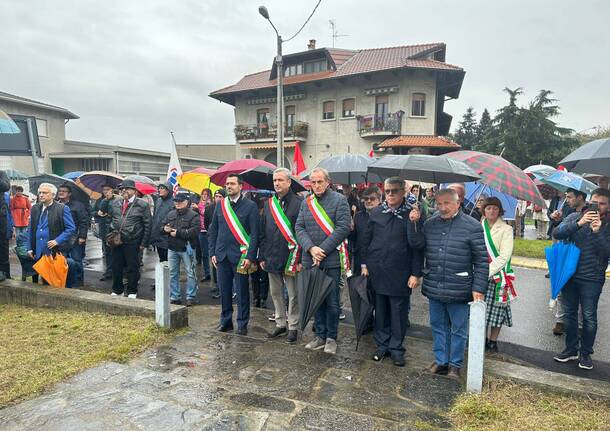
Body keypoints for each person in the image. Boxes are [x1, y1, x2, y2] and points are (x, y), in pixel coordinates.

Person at [409, 188, 488, 378]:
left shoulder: (473, 226)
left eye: (447, 203)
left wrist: (478, 287)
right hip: (435, 284)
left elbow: (481, 260)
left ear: (457, 203)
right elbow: (417, 247)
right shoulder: (429, 224)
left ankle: (455, 364)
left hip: (460, 287)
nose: (442, 208)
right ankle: (441, 361)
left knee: (459, 328)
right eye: (440, 203)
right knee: (437, 325)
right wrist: (415, 223)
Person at [361, 177, 423, 366]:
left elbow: (418, 247)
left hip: (400, 272)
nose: (390, 195)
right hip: (378, 269)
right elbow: (366, 240)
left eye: (394, 191)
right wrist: (364, 264)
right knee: (380, 311)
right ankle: (382, 345)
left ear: (403, 191)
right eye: (387, 191)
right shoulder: (377, 212)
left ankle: (396, 348)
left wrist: (416, 273)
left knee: (398, 312)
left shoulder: (413, 214)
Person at [552, 188, 610, 370]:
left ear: (608, 206)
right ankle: (570, 349)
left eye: (602, 203)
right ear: (589, 201)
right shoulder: (576, 216)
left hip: (593, 277)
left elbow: (607, 252)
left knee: (589, 317)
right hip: (570, 273)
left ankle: (585, 353)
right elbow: (557, 233)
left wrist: (598, 231)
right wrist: (578, 223)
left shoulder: (607, 225)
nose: (597, 206)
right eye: (595, 202)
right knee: (569, 314)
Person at [295, 167, 351, 355]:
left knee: (332, 301)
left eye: (320, 182)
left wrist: (322, 250)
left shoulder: (340, 200)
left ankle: (331, 338)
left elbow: (343, 228)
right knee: (314, 299)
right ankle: (319, 335)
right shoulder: (306, 202)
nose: (317, 185)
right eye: (313, 182)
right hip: (310, 258)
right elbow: (299, 228)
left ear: (328, 182)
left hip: (331, 259)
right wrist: (311, 248)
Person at [208, 174, 260, 335]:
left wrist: (251, 257)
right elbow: (213, 230)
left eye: (232, 184)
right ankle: (226, 321)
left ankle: (242, 323)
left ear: (240, 186)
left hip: (241, 257)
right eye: (227, 184)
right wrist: (212, 253)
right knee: (224, 291)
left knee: (242, 292)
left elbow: (255, 234)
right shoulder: (220, 205)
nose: (228, 186)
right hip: (222, 256)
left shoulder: (250, 206)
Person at [259, 168, 304, 343]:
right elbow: (263, 230)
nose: (277, 183)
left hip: (291, 256)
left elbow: (301, 232)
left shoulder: (300, 203)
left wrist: (300, 259)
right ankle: (280, 323)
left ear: (289, 182)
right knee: (275, 293)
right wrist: (262, 256)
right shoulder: (268, 204)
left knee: (293, 295)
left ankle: (293, 326)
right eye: (275, 180)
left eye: (280, 180)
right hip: (271, 255)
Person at [480, 197, 515, 353]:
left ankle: (492, 341)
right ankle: (479, 339)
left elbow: (505, 255)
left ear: (499, 210)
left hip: (499, 275)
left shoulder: (506, 229)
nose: (491, 211)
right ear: (484, 210)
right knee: (480, 309)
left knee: (497, 310)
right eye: (488, 208)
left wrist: (487, 271)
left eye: (495, 208)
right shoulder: (478, 226)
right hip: (480, 273)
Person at [25, 183, 77, 286]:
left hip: (54, 251)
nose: (41, 195)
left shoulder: (62, 209)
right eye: (39, 192)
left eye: (44, 193)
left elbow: (71, 228)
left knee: (56, 280)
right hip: (39, 250)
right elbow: (31, 229)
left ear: (53, 195)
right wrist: (29, 248)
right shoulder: (35, 208)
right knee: (44, 279)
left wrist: (57, 240)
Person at [108, 179, 152, 298]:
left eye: (127, 189)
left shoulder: (142, 204)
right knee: (116, 266)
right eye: (122, 189)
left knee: (133, 267)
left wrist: (144, 243)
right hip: (117, 240)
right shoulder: (116, 203)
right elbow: (111, 219)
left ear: (134, 190)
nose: (124, 191)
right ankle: (117, 290)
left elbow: (148, 224)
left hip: (133, 241)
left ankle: (132, 291)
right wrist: (111, 231)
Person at [551, 188, 585, 334]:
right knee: (562, 289)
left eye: (570, 197)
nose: (568, 200)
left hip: (582, 258)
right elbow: (558, 232)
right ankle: (560, 320)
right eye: (567, 197)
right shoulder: (569, 213)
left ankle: (579, 324)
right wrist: (557, 220)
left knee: (582, 293)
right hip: (566, 254)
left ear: (580, 197)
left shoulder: (588, 214)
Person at [162, 191, 200, 306]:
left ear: (186, 202)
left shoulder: (194, 215)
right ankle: (175, 296)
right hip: (172, 247)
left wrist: (177, 233)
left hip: (186, 248)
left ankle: (191, 297)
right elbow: (162, 226)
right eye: (176, 201)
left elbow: (194, 232)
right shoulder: (171, 214)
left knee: (190, 273)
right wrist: (164, 229)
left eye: (180, 201)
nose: (177, 203)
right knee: (173, 273)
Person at [57, 184, 90, 287]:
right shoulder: (56, 205)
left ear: (69, 194)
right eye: (60, 191)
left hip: (75, 238)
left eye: (64, 191)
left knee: (76, 260)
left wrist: (82, 236)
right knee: (62, 259)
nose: (61, 193)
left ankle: (79, 282)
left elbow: (84, 221)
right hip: (60, 238)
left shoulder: (78, 205)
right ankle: (66, 280)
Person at [349, 186, 381, 275]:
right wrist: (351, 230)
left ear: (379, 200)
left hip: (378, 261)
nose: (369, 201)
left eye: (372, 198)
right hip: (360, 259)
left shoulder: (384, 216)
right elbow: (354, 238)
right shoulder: (358, 216)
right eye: (366, 198)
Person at [95, 184, 116, 281]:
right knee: (107, 251)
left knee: (115, 251)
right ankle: (109, 271)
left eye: (108, 189)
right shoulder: (100, 200)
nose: (106, 191)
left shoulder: (117, 199)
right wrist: (97, 214)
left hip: (114, 229)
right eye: (104, 189)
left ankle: (117, 271)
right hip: (104, 228)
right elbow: (94, 211)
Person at [150, 183, 173, 263]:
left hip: (167, 236)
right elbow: (155, 216)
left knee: (168, 261)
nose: (159, 190)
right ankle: (163, 275)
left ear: (168, 190)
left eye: (162, 188)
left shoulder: (173, 202)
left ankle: (168, 275)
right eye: (159, 188)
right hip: (157, 234)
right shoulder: (158, 200)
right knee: (161, 260)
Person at [195, 188, 214, 282]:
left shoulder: (211, 204)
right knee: (204, 254)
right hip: (200, 230)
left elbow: (205, 214)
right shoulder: (199, 203)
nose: (204, 196)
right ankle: (207, 273)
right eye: (203, 194)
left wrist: (198, 209)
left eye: (206, 194)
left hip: (208, 231)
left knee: (211, 253)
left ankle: (214, 276)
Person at [0, 170, 11, 281]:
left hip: (1, 218)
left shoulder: (2, 174)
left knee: (2, 244)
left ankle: (4, 272)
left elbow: (6, 186)